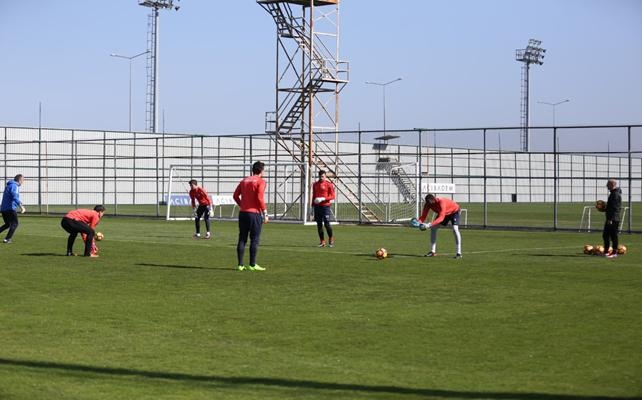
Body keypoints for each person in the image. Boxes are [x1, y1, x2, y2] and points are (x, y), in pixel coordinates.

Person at [233, 161, 268, 271]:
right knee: (254, 239)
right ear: (261, 171)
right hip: (254, 214)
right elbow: (260, 197)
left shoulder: (244, 180)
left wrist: (242, 205)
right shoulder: (261, 181)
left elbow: (235, 196)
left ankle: (240, 265)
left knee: (242, 239)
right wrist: (265, 212)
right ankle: (252, 264)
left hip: (243, 213)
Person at [418, 194, 462, 259]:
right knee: (433, 228)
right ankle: (433, 252)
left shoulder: (441, 202)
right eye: (428, 203)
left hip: (454, 212)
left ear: (433, 200)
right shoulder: (428, 204)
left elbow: (441, 218)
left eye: (430, 203)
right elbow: (423, 216)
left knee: (455, 229)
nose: (429, 205)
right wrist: (417, 223)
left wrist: (429, 225)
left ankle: (459, 253)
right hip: (444, 213)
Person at [312, 170, 336, 247]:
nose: (321, 178)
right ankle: (322, 241)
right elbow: (314, 196)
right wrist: (312, 206)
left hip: (325, 206)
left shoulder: (329, 184)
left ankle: (331, 238)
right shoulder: (315, 184)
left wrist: (323, 198)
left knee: (326, 224)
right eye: (320, 176)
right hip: (317, 207)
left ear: (325, 176)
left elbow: (333, 196)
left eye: (323, 176)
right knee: (319, 224)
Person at [0, 174, 26, 244]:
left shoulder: (8, 185)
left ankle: (7, 238)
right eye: (23, 180)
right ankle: (7, 239)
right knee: (15, 224)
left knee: (8, 224)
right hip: (10, 208)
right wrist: (21, 207)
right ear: (19, 180)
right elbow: (15, 197)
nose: (23, 182)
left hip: (3, 208)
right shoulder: (15, 186)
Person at [603, 179, 622, 258]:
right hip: (611, 218)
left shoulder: (615, 194)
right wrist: (604, 208)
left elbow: (615, 208)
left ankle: (614, 253)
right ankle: (606, 252)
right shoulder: (613, 193)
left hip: (613, 218)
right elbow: (611, 207)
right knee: (605, 235)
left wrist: (610, 219)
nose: (607, 186)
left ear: (612, 184)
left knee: (613, 236)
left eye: (608, 184)